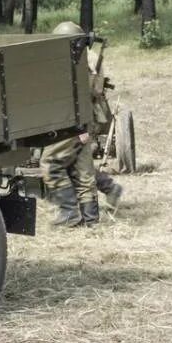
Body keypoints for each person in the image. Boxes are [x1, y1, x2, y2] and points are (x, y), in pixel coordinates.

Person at [43, 21, 125, 226]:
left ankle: (69, 214)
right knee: (83, 170)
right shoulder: (89, 58)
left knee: (51, 164)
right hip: (87, 121)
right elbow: (97, 92)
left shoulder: (78, 61)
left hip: (73, 122)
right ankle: (90, 219)